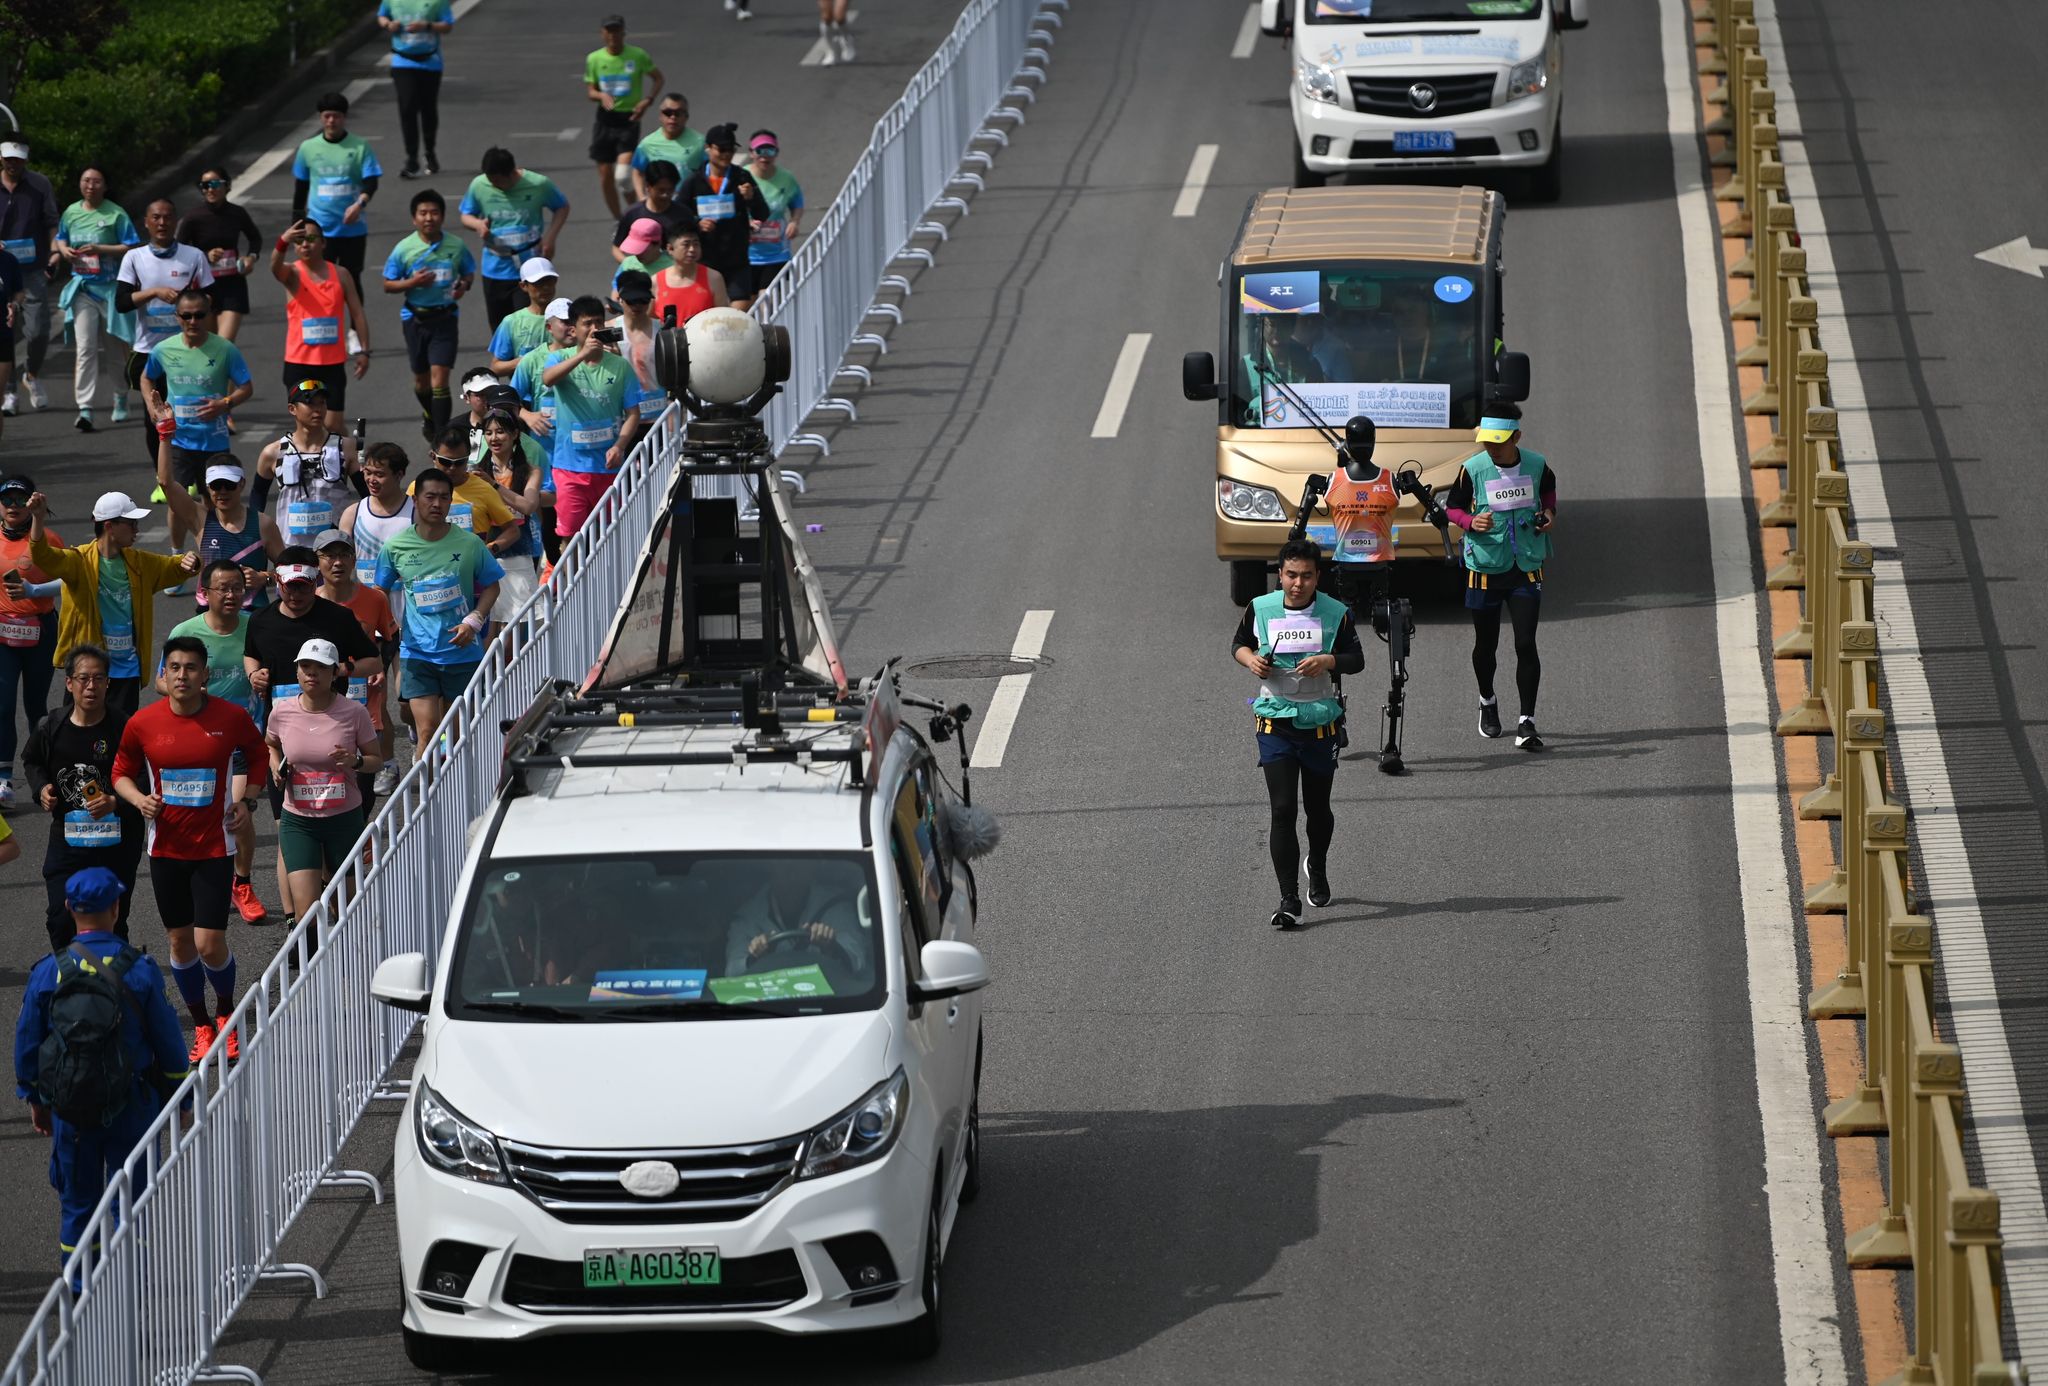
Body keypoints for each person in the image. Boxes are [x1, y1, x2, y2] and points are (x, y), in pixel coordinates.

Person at [14, 866, 191, 1268]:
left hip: (71, 1107)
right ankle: (131, 1293)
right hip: (133, 1104)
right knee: (132, 1208)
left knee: (78, 1211)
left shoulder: (48, 971)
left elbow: (27, 1045)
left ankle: (80, 1296)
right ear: (115, 907)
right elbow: (169, 1044)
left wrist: (36, 1099)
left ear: (68, 908)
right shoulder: (139, 969)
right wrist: (181, 1100)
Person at [113, 636, 269, 1061]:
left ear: (205, 675)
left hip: (214, 847)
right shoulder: (142, 723)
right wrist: (138, 800)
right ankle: (201, 1024)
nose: (182, 675)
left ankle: (225, 1013)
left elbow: (258, 755)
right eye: (175, 667)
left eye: (191, 668)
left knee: (209, 944)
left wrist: (248, 800)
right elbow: (121, 771)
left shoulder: (230, 717)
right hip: (166, 850)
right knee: (180, 942)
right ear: (164, 674)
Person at [1231, 538, 1364, 929]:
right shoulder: (1261, 608)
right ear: (1280, 575)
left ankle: (1317, 866)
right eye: (1291, 575)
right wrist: (1252, 661)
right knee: (1283, 809)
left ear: (1317, 577)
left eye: (1306, 576)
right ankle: (1289, 898)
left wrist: (1329, 660)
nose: (1298, 584)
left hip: (1320, 722)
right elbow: (1239, 644)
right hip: (1275, 721)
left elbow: (1356, 660)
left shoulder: (1336, 613)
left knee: (1318, 808)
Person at [161, 562, 269, 924]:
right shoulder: (185, 632)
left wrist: (265, 678)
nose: (231, 594)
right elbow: (160, 681)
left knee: (237, 812)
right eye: (223, 588)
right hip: (198, 740)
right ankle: (200, 881)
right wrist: (189, 689)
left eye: (237, 587)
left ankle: (242, 883)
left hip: (242, 738)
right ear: (205, 592)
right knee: (196, 814)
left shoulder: (257, 626)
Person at [1443, 403, 1555, 750]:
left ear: (1516, 437)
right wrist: (1469, 521)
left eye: (1499, 442)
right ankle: (1487, 700)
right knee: (1486, 644)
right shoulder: (1473, 469)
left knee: (1525, 643)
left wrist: (1549, 514)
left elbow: (1548, 494)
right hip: (1486, 566)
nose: (1491, 448)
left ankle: (1526, 721)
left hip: (1526, 565)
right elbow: (1452, 507)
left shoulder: (1537, 465)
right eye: (1487, 442)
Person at [27, 491, 197, 716]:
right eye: (131, 523)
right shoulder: (79, 561)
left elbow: (175, 567)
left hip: (127, 670)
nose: (137, 529)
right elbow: (43, 556)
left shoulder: (140, 562)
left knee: (120, 734)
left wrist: (192, 560)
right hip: (88, 671)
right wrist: (38, 518)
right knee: (79, 731)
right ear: (109, 526)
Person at [23, 650, 146, 950]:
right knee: (61, 917)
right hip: (69, 839)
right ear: (69, 683)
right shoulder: (51, 726)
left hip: (117, 840)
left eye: (99, 678)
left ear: (108, 683)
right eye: (83, 678)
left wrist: (115, 801)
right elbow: (32, 761)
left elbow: (145, 775)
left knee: (113, 917)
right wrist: (41, 789)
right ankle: (69, 973)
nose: (91, 686)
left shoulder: (124, 727)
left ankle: (113, 974)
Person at [375, 467, 503, 746]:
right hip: (418, 652)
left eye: (444, 498)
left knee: (457, 736)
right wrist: (386, 628)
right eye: (430, 497)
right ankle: (424, 772)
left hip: (461, 653)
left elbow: (492, 586)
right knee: (428, 731)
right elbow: (380, 591)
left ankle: (452, 775)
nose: (437, 504)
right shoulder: (396, 546)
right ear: (415, 500)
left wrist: (474, 620)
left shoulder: (469, 544)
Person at [264, 639, 381, 925]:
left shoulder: (354, 712)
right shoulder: (282, 711)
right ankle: (311, 952)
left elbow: (376, 760)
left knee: (347, 909)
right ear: (297, 672)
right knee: (306, 912)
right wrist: (276, 766)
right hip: (299, 821)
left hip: (343, 819)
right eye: (305, 666)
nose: (312, 673)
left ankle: (348, 954)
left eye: (320, 667)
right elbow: (270, 744)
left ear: (334, 673)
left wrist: (355, 761)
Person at [140, 288, 255, 549]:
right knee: (176, 502)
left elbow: (246, 387)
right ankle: (177, 554)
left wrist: (224, 404)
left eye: (200, 315)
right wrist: (151, 406)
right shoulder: (163, 349)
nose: (193, 321)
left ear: (209, 315)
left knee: (214, 502)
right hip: (178, 440)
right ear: (177, 316)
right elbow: (146, 377)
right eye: (187, 316)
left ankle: (214, 552)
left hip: (213, 441)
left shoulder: (225, 349)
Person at [540, 296, 650, 540]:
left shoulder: (620, 366)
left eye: (598, 323)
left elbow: (633, 414)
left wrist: (619, 446)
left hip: (608, 468)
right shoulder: (560, 358)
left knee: (610, 537)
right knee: (571, 538)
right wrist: (582, 355)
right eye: (587, 323)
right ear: (573, 329)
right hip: (569, 468)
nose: (594, 329)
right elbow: (548, 379)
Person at [114, 201, 213, 468]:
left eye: (167, 217)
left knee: (187, 416)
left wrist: (190, 306)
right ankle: (163, 476)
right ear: (146, 222)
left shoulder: (194, 256)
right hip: (149, 352)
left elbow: (212, 298)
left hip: (188, 351)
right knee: (155, 420)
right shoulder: (134, 258)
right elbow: (121, 302)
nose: (162, 223)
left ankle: (187, 474)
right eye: (156, 217)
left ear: (175, 221)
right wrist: (154, 292)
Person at [381, 189, 475, 442]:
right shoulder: (404, 249)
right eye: (423, 213)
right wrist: (412, 282)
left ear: (442, 216)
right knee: (422, 383)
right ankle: (430, 416)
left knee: (440, 380)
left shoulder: (456, 246)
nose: (429, 218)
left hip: (445, 318)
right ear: (414, 218)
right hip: (415, 319)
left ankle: (442, 438)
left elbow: (468, 273)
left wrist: (464, 285)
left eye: (434, 212)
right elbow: (388, 284)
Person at [315, 529, 401, 796]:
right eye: (329, 556)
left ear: (354, 560)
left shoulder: (375, 598)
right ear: (317, 561)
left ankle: (386, 764)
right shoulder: (311, 601)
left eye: (344, 555)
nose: (337, 562)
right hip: (325, 683)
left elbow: (390, 637)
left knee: (375, 721)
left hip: (365, 679)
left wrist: (381, 668)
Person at [54, 168, 141, 431]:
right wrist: (64, 251)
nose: (90, 186)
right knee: (85, 349)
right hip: (83, 289)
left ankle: (120, 395)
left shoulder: (116, 213)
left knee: (114, 349)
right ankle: (85, 408)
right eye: (86, 181)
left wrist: (100, 249)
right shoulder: (71, 212)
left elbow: (131, 246)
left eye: (96, 181)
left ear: (105, 186)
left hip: (111, 290)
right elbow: (60, 238)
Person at [271, 218, 372, 436]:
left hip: (331, 364)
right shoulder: (292, 273)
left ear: (323, 243)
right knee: (308, 425)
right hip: (299, 363)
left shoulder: (341, 274)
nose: (304, 245)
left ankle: (354, 454)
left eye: (310, 238)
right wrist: (282, 241)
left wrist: (364, 350)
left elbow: (357, 313)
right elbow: (275, 267)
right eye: (299, 241)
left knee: (333, 425)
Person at [156, 441, 280, 614]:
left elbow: (287, 569)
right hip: (209, 613)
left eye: (229, 485)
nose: (222, 491)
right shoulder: (199, 518)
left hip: (252, 614)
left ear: (242, 484)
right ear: (208, 487)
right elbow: (165, 483)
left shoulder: (263, 524)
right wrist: (164, 437)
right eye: (216, 485)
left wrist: (264, 578)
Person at [0, 474, 62, 806]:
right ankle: (3, 779)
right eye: (6, 499)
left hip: (40, 631)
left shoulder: (47, 538)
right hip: (2, 634)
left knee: (36, 707)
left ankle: (43, 775)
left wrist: (34, 590)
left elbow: (71, 579)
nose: (12, 506)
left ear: (32, 502)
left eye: (19, 499)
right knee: (2, 704)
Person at [459, 148, 569, 331]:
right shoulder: (479, 185)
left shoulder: (538, 184)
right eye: (490, 181)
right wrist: (478, 224)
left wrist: (551, 237)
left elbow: (562, 207)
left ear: (511, 173)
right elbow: (465, 215)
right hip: (494, 268)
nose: (494, 185)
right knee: (500, 328)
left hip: (529, 268)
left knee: (528, 325)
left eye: (497, 181)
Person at [253, 380, 360, 553]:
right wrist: (254, 538)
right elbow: (257, 496)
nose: (318, 409)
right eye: (310, 403)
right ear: (292, 409)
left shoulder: (346, 448)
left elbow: (369, 497)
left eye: (322, 403)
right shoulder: (273, 452)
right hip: (290, 550)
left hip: (334, 550)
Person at [290, 92, 381, 282]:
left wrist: (359, 205)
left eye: (337, 116)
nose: (331, 121)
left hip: (352, 228)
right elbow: (301, 188)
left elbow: (371, 181)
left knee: (352, 278)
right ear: (320, 117)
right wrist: (297, 226)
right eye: (327, 116)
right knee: (320, 279)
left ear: (344, 117)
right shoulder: (307, 148)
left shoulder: (360, 146)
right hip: (319, 228)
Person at [585, 16, 666, 222]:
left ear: (623, 33)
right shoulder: (594, 59)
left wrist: (647, 100)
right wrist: (601, 95)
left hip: (629, 120)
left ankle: (638, 214)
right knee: (605, 177)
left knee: (622, 176)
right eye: (609, 31)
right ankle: (619, 220)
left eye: (616, 30)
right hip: (604, 121)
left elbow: (658, 78)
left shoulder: (637, 55)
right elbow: (590, 91)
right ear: (602, 34)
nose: (613, 35)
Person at [0, 137, 59, 415]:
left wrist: (55, 251)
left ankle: (31, 374)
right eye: (9, 158)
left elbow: (51, 222)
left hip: (32, 267)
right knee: (5, 332)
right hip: (2, 268)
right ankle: (9, 391)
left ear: (26, 159)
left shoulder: (40, 184)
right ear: (1, 158)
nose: (13, 163)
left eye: (18, 159)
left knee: (38, 330)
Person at [685, 125, 769, 309]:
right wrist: (697, 223)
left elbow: (763, 214)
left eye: (731, 149)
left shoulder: (742, 176)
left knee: (740, 310)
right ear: (708, 148)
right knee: (708, 313)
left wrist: (751, 198)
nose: (727, 154)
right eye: (722, 149)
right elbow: (679, 215)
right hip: (705, 261)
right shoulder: (694, 181)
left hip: (736, 259)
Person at [176, 169, 262, 341]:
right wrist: (205, 256)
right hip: (203, 287)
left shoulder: (237, 213)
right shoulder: (193, 217)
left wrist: (251, 257)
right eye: (205, 185)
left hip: (232, 285)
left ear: (227, 186)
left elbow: (255, 238)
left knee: (225, 343)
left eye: (215, 184)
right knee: (208, 344)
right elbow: (179, 250)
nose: (210, 189)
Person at [476, 407, 546, 617]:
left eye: (500, 432)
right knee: (488, 620)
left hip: (518, 552)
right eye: (489, 433)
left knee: (522, 619)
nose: (494, 438)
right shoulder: (476, 471)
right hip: (484, 552)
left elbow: (528, 506)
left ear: (515, 434)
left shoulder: (531, 471)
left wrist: (493, 485)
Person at [379, 0, 456, 179]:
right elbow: (382, 16)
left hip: (430, 62)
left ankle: (430, 152)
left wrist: (427, 25)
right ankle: (411, 158)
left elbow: (447, 25)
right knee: (407, 107)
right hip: (402, 61)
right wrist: (389, 24)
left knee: (428, 108)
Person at [421, 427, 518, 550]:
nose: (452, 468)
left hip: (473, 561)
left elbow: (512, 530)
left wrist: (490, 550)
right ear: (433, 456)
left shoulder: (484, 489)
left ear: (468, 458)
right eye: (446, 461)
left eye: (459, 462)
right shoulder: (418, 488)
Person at [340, 441, 416, 593]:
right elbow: (341, 562)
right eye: (368, 472)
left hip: (406, 604)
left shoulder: (417, 513)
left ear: (399, 475)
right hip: (366, 603)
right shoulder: (352, 514)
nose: (371, 480)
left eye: (379, 474)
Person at [743, 132, 804, 292]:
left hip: (777, 253)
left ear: (776, 153)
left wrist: (794, 222)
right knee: (748, 303)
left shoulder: (786, 178)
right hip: (746, 254)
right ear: (751, 153)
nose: (765, 157)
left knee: (768, 300)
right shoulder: (740, 176)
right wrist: (746, 221)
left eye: (770, 151)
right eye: (759, 151)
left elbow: (797, 203)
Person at [485, 257, 558, 376]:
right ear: (523, 286)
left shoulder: (569, 316)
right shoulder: (511, 322)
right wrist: (528, 360)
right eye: (538, 283)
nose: (545, 287)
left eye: (549, 281)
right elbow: (496, 367)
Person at [631, 96, 707, 202]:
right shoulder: (647, 143)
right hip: (659, 203)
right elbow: (638, 171)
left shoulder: (700, 142)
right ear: (660, 116)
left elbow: (712, 170)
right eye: (668, 112)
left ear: (686, 116)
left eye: (678, 113)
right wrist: (641, 196)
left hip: (688, 203)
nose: (673, 117)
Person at [609, 164, 689, 265]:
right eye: (661, 190)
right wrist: (631, 266)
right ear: (648, 186)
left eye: (670, 190)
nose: (665, 195)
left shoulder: (684, 214)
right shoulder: (632, 214)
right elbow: (616, 248)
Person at [651, 224, 728, 328]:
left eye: (696, 244)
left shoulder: (714, 278)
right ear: (670, 248)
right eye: (686, 245)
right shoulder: (655, 281)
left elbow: (724, 316)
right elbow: (649, 319)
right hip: (668, 337)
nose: (692, 249)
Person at [611, 271, 660, 392]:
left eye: (644, 300)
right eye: (631, 300)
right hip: (622, 401)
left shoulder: (662, 330)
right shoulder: (608, 330)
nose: (638, 305)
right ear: (620, 299)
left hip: (658, 401)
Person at [612, 218, 673, 292]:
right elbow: (616, 289)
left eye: (642, 248)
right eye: (635, 247)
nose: (638, 253)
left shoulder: (672, 266)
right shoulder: (627, 263)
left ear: (658, 244)